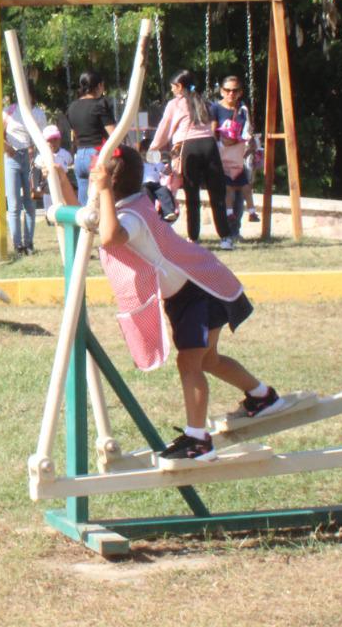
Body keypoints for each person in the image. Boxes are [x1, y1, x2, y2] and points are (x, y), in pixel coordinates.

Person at [93, 145, 284, 460]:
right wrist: (60, 180)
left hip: (198, 290)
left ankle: (198, 440)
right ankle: (262, 396)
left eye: (97, 178)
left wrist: (101, 190)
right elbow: (89, 220)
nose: (92, 182)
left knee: (190, 363)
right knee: (208, 360)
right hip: (194, 286)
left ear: (110, 183)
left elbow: (110, 236)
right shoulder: (132, 204)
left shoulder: (131, 217)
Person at [151, 70, 233, 248]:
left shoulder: (175, 104)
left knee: (192, 194)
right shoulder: (203, 100)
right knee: (217, 192)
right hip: (209, 145)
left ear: (180, 86)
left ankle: (193, 237)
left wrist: (153, 146)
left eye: (173, 87)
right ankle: (225, 237)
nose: (172, 90)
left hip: (188, 147)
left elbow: (164, 127)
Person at [210, 76, 255, 240]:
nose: (231, 93)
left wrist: (249, 142)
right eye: (227, 90)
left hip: (239, 158)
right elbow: (212, 132)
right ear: (222, 91)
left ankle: (235, 230)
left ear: (240, 92)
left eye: (235, 90)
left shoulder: (243, 110)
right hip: (222, 157)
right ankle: (225, 230)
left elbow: (248, 130)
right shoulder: (215, 108)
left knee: (240, 194)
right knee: (225, 193)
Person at [2, 101, 49, 255]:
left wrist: (34, 150)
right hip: (12, 157)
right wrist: (6, 147)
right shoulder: (9, 111)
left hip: (30, 158)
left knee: (30, 202)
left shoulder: (37, 113)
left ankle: (28, 243)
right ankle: (17, 245)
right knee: (14, 204)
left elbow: (43, 138)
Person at [66, 72, 116, 205]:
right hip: (97, 154)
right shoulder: (100, 104)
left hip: (80, 156)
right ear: (99, 86)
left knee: (84, 205)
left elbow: (74, 134)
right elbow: (114, 134)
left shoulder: (72, 107)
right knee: (100, 201)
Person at [38, 124, 76, 213]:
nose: (53, 143)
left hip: (63, 187)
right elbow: (38, 173)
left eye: (55, 139)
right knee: (50, 212)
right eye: (49, 140)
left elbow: (70, 163)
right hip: (48, 189)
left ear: (59, 139)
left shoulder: (65, 154)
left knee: (64, 210)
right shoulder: (41, 156)